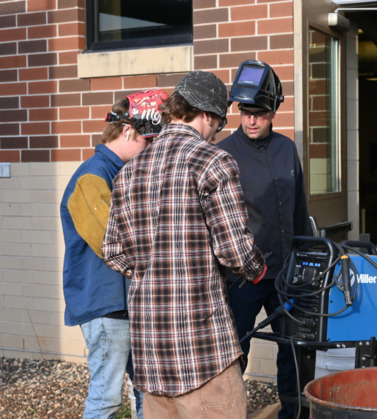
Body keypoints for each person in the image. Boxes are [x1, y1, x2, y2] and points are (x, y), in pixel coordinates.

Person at [102, 71, 267, 419]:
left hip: (150, 349)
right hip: (201, 349)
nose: (216, 133)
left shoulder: (129, 171)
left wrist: (153, 271)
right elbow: (233, 250)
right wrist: (257, 268)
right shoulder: (213, 161)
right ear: (207, 115)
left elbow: (113, 251)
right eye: (218, 124)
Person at [60, 89, 167, 419]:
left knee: (145, 392)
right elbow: (116, 245)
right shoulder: (92, 178)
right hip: (106, 309)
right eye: (149, 142)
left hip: (127, 305)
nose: (151, 150)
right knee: (106, 398)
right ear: (127, 131)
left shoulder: (121, 174)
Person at [217, 60, 313, 419]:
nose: (251, 120)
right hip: (243, 277)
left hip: (287, 274)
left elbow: (299, 208)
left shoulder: (287, 149)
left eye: (259, 113)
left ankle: (293, 415)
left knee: (293, 349)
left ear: (273, 111)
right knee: (235, 352)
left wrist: (305, 261)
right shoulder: (224, 153)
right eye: (245, 112)